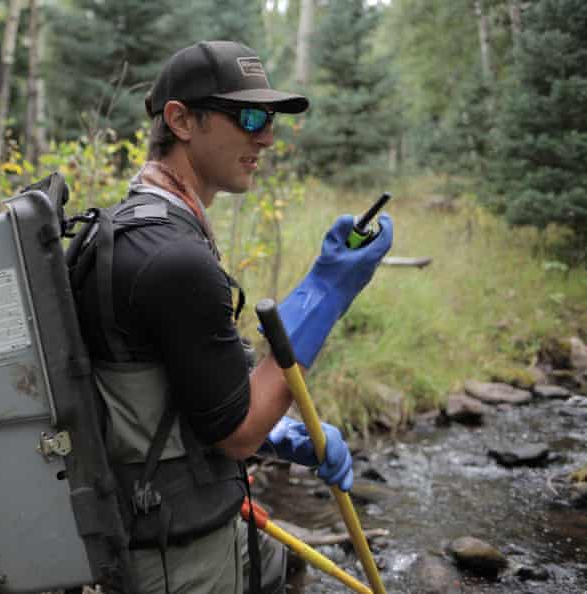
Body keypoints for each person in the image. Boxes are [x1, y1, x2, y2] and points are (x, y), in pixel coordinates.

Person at [72, 40, 393, 594]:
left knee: (281, 565)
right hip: (177, 558)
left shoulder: (136, 228)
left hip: (156, 518)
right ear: (181, 120)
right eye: (248, 117)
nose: (266, 137)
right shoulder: (172, 258)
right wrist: (329, 288)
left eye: (268, 118)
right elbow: (238, 435)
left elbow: (174, 384)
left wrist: (285, 430)